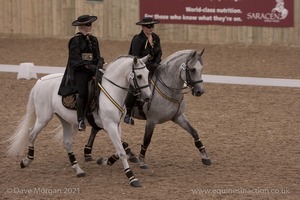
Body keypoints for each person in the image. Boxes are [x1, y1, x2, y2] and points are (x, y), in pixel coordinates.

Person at [58, 15, 104, 131]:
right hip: (80, 71)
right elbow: (75, 59)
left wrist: (99, 63)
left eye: (90, 24)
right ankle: (80, 119)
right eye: (88, 24)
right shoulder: (75, 41)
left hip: (93, 69)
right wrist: (88, 66)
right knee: (83, 92)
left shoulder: (93, 40)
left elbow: (97, 56)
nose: (90, 26)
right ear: (81, 26)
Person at [124, 17, 162, 125]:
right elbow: (135, 56)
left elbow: (159, 52)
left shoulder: (155, 37)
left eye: (152, 26)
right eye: (149, 26)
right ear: (143, 27)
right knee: (135, 85)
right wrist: (148, 65)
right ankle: (128, 112)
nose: (151, 28)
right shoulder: (137, 39)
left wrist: (156, 63)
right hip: (139, 66)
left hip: (154, 65)